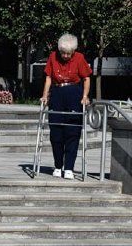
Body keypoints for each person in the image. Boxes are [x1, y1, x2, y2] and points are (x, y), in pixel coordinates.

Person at [41, 33, 92, 179]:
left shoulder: (79, 58)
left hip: (74, 93)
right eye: (63, 52)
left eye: (68, 53)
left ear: (73, 51)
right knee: (56, 132)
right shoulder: (53, 56)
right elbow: (49, 77)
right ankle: (58, 165)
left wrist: (85, 96)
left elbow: (86, 78)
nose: (65, 56)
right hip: (57, 93)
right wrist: (45, 95)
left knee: (72, 132)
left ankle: (69, 167)